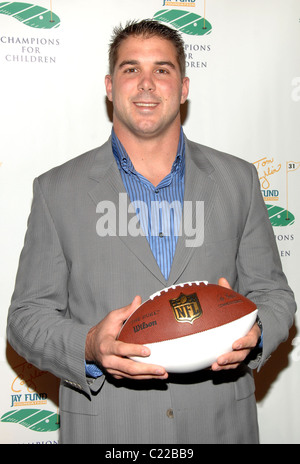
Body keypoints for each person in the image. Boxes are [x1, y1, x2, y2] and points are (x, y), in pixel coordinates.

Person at [7, 20, 296, 444]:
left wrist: (256, 334)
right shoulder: (56, 190)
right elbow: (26, 318)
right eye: (130, 69)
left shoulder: (238, 180)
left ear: (183, 88)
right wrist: (89, 345)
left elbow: (275, 295)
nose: (146, 84)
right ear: (109, 86)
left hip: (220, 427)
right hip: (108, 428)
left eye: (162, 70)